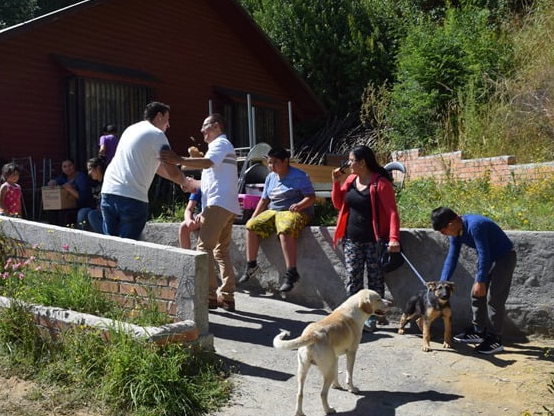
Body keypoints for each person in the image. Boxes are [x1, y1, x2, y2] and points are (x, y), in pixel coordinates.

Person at [161, 113, 240, 309]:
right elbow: (208, 179)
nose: (202, 131)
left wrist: (179, 159)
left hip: (218, 204)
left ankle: (209, 296)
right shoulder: (220, 148)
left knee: (204, 249)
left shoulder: (220, 144)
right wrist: (189, 183)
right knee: (221, 252)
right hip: (227, 205)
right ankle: (227, 297)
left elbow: (207, 163)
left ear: (216, 126)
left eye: (205, 126)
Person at [331, 145, 401, 332]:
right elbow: (339, 204)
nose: (349, 164)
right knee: (353, 277)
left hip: (374, 241)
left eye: (351, 160)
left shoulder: (380, 183)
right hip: (352, 239)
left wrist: (394, 238)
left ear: (362, 163)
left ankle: (372, 317)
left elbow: (392, 212)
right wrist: (336, 183)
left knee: (375, 279)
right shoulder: (351, 180)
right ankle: (353, 314)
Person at [100, 101, 191, 240]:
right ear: (159, 116)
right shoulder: (157, 135)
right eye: (167, 120)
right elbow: (171, 169)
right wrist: (186, 182)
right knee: (129, 248)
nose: (168, 125)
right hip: (132, 197)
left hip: (108, 191)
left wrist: (180, 181)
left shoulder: (130, 129)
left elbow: (157, 168)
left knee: (111, 245)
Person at [431, 207, 516, 355]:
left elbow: (484, 253)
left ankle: (495, 339)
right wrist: (442, 282)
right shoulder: (456, 232)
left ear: (451, 223)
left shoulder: (475, 225)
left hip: (504, 258)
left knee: (494, 299)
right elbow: (452, 257)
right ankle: (478, 331)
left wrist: (481, 280)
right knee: (476, 294)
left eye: (443, 231)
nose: (444, 234)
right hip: (489, 259)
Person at [237, 147, 315, 294]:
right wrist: (254, 217)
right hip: (274, 210)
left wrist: (299, 205)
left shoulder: (299, 176)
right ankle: (251, 265)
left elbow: (311, 197)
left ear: (285, 161)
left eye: (274, 162)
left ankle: (292, 273)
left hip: (294, 211)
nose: (271, 166)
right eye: (269, 162)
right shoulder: (270, 177)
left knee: (285, 230)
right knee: (251, 226)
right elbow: (264, 200)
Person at [49, 158, 91, 226]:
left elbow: (83, 199)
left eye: (70, 165)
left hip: (82, 206)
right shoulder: (63, 177)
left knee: (66, 214)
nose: (67, 168)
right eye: (64, 167)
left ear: (74, 166)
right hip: (68, 207)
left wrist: (70, 189)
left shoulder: (81, 178)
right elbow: (56, 180)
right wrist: (53, 181)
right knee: (53, 211)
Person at [76, 156, 107, 234]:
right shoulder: (92, 182)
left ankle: (106, 238)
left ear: (98, 168)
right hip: (96, 209)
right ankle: (83, 238)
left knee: (92, 214)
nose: (89, 173)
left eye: (90, 169)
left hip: (107, 212)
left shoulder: (107, 182)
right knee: (83, 212)